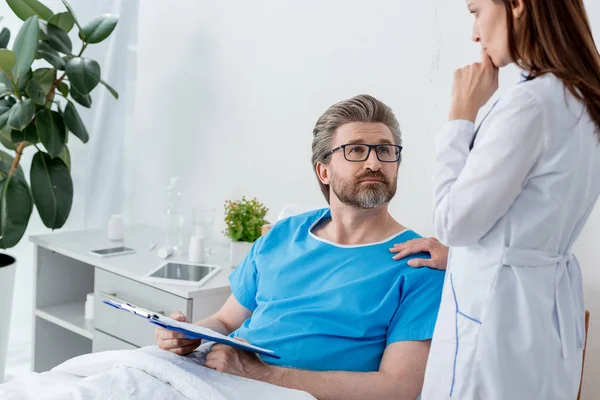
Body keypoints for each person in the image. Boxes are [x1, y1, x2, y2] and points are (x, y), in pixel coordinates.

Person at [157, 94, 449, 400]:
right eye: (357, 150)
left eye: (385, 151)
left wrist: (262, 374)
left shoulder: (420, 263)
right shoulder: (283, 234)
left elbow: (399, 388)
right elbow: (226, 321)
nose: (374, 163)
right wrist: (187, 335)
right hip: (217, 379)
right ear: (324, 171)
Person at [421, 1, 600, 399]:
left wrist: (460, 115)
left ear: (516, 5)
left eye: (475, 10)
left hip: (496, 322)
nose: (474, 33)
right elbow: (533, 217)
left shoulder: (531, 104)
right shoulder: (582, 99)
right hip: (540, 317)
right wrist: (464, 257)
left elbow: (452, 223)